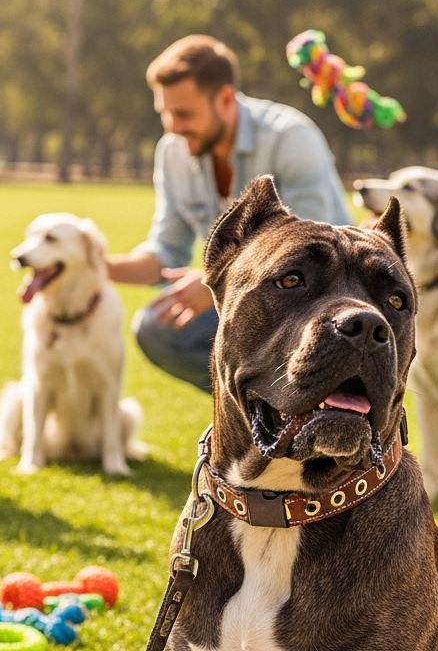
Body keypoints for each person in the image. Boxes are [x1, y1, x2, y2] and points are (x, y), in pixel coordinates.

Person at [106, 35, 354, 392]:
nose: (172, 127)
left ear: (225, 99)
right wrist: (93, 266)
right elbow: (166, 252)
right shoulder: (173, 152)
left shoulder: (290, 138)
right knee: (157, 329)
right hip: (251, 303)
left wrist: (218, 280)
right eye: (165, 113)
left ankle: (307, 400)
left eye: (183, 114)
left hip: (324, 303)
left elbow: (308, 254)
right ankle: (257, 411)